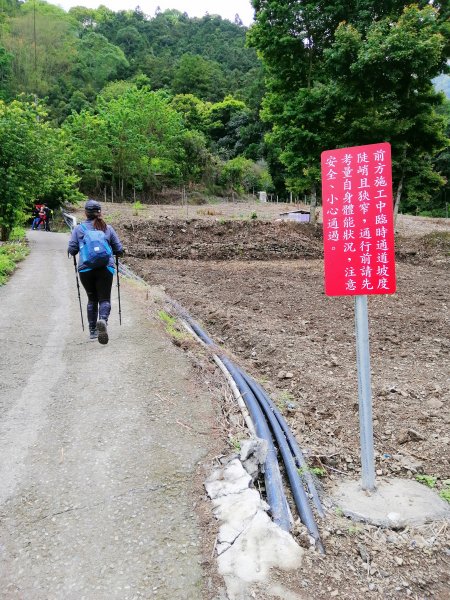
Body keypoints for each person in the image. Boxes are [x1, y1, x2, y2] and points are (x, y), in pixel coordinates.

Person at [68, 199, 124, 344]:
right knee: (104, 299)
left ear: (85, 213)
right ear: (100, 212)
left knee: (92, 299)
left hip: (86, 269)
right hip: (105, 268)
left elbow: (73, 250)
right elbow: (119, 250)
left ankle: (93, 331)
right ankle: (103, 320)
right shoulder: (107, 228)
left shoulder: (78, 229)